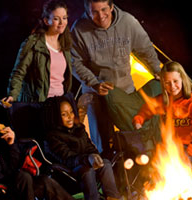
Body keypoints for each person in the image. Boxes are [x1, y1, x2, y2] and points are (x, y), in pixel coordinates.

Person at [70, 0, 163, 155]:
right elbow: (74, 63)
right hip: (96, 94)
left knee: (136, 139)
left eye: (104, 9)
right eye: (95, 12)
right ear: (87, 11)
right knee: (104, 145)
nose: (101, 16)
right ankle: (109, 173)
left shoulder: (128, 22)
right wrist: (94, 83)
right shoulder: (79, 30)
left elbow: (145, 48)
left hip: (125, 91)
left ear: (112, 7)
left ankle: (143, 171)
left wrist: (156, 70)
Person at [132, 61, 192, 192]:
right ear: (163, 84)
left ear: (182, 79)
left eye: (175, 81)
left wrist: (191, 151)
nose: (172, 86)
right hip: (175, 145)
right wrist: (138, 120)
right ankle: (174, 189)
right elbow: (146, 110)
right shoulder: (163, 101)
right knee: (168, 163)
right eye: (167, 83)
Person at [46, 96, 122, 200]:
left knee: (106, 163)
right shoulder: (54, 136)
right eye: (64, 114)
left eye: (71, 112)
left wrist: (95, 157)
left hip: (87, 162)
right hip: (69, 170)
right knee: (87, 170)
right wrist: (87, 159)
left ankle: (113, 197)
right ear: (56, 117)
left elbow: (90, 147)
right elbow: (66, 158)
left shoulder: (79, 129)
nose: (70, 117)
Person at [2, 0, 72, 104]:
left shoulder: (65, 43)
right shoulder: (33, 43)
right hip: (39, 103)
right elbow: (19, 72)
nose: (62, 23)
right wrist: (12, 95)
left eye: (64, 18)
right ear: (46, 21)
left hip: (60, 103)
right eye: (56, 19)